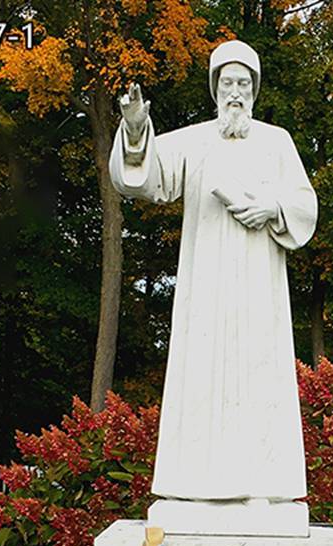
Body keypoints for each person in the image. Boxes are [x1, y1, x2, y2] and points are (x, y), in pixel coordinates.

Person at [109, 40, 317, 503]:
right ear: (215, 88)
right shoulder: (196, 140)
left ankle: (264, 488)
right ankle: (196, 486)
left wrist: (271, 207)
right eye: (228, 82)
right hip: (207, 284)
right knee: (202, 377)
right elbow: (143, 178)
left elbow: (305, 204)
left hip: (260, 287)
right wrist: (136, 127)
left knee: (260, 378)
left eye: (244, 83)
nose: (236, 92)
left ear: (255, 90)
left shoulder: (277, 141)